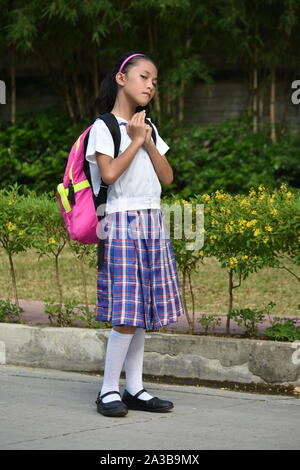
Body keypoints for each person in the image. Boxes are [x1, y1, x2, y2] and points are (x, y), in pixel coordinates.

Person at [85, 51, 185, 417]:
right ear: (122, 79)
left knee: (141, 310)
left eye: (155, 81)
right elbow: (109, 175)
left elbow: (168, 177)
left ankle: (134, 388)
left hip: (152, 221)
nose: (150, 85)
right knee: (126, 313)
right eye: (144, 77)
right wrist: (134, 140)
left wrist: (146, 138)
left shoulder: (150, 128)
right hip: (120, 222)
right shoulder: (105, 127)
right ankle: (108, 390)